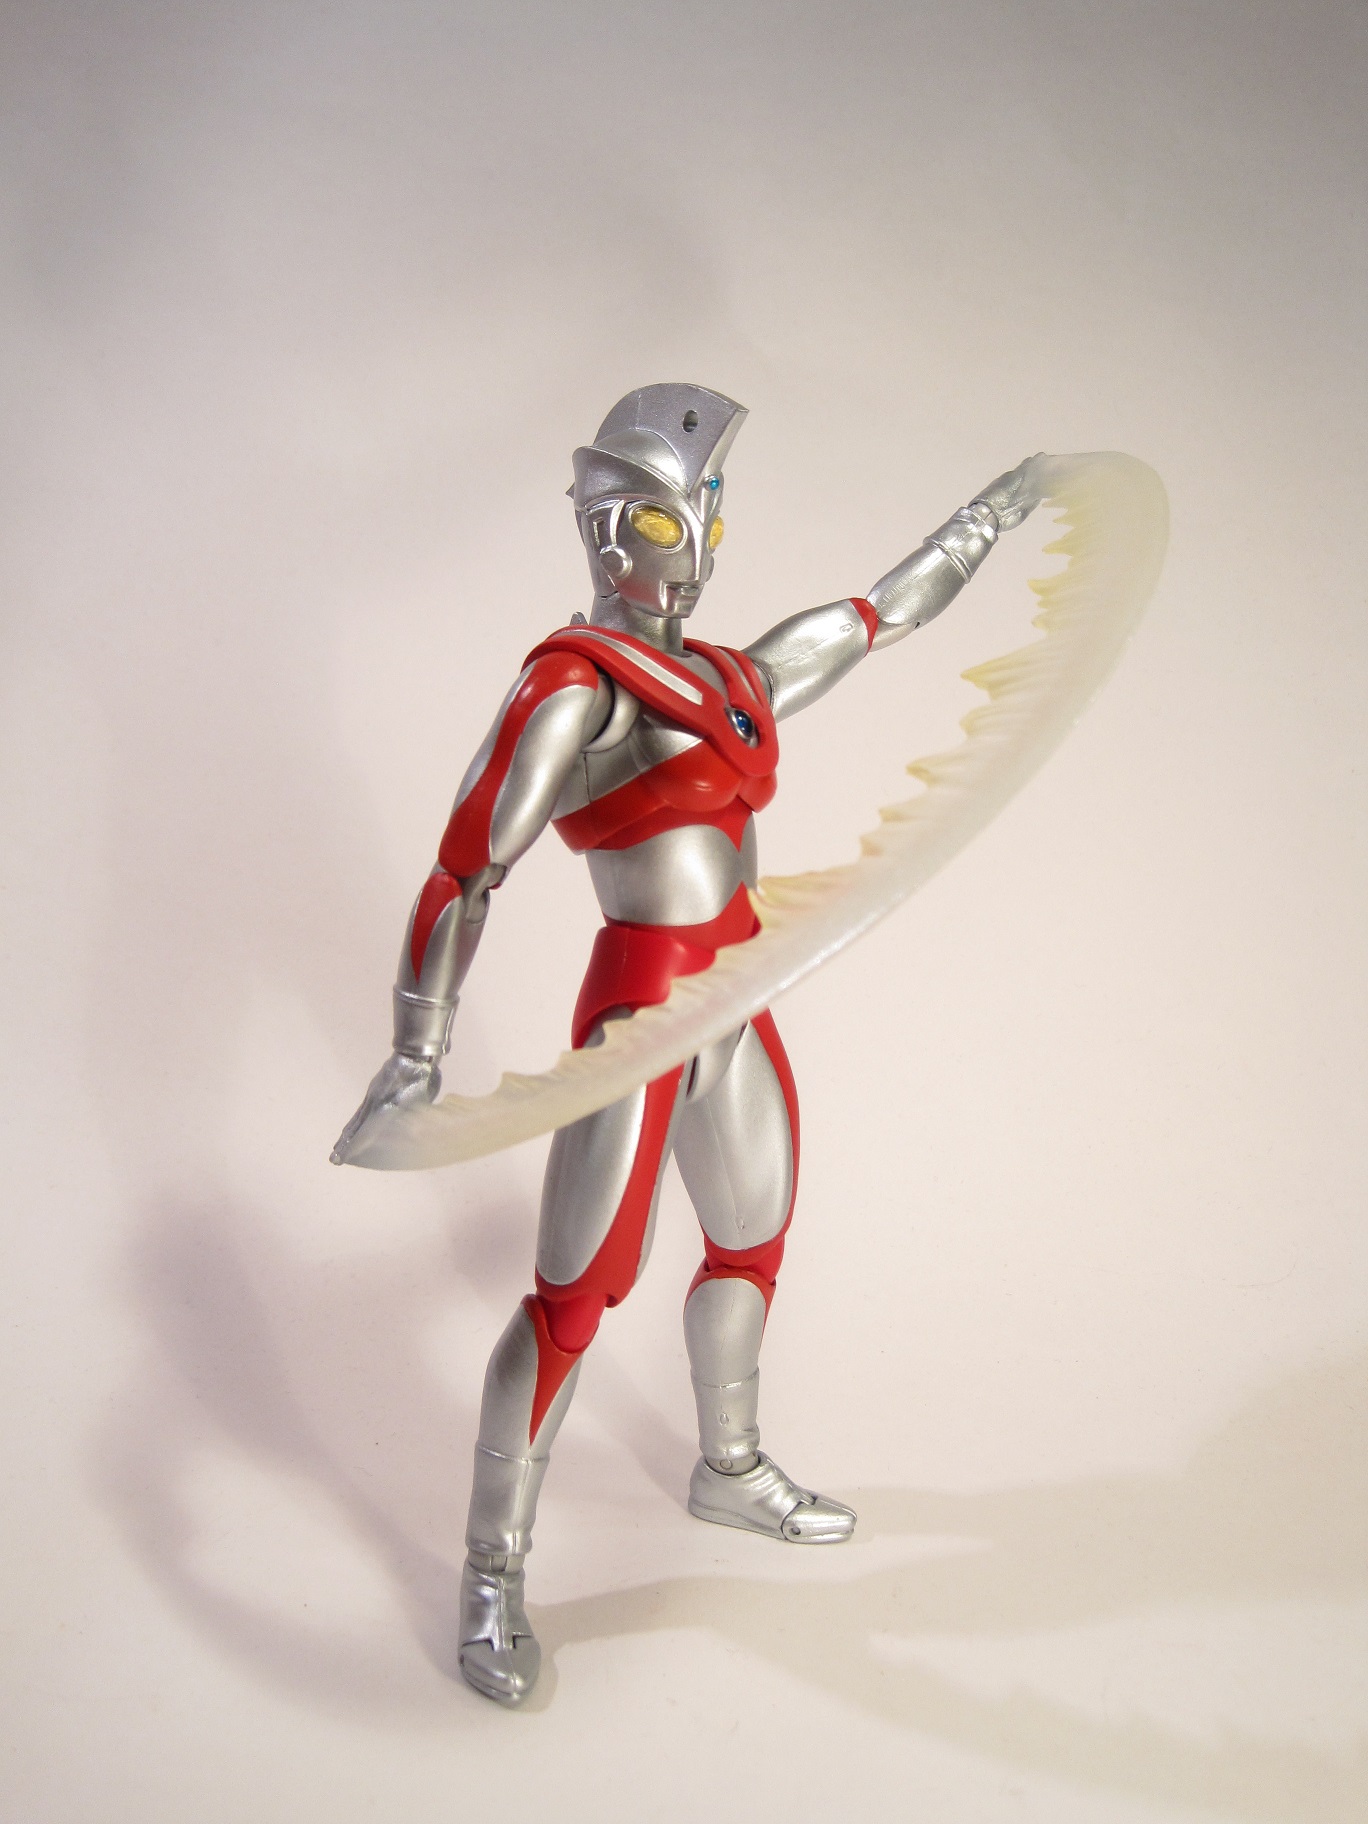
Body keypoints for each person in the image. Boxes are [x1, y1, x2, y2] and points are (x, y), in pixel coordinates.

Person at [333, 383, 1043, 1703]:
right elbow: (465, 870)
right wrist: (416, 1055)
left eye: (704, 508)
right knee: (574, 1295)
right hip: (643, 1007)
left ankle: (729, 1466)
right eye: (668, 513)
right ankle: (490, 1573)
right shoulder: (575, 690)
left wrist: (986, 522)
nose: (694, 538)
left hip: (737, 991)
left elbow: (876, 616)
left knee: (750, 1234)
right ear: (612, 528)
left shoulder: (727, 676)